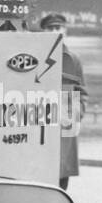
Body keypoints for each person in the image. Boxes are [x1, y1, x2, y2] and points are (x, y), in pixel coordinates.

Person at [40, 12, 86, 190]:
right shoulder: (35, 55)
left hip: (66, 114)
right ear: (43, 31)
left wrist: (77, 112)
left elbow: (81, 91)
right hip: (39, 117)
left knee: (61, 175)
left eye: (58, 28)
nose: (54, 31)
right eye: (50, 28)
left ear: (65, 31)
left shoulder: (73, 60)